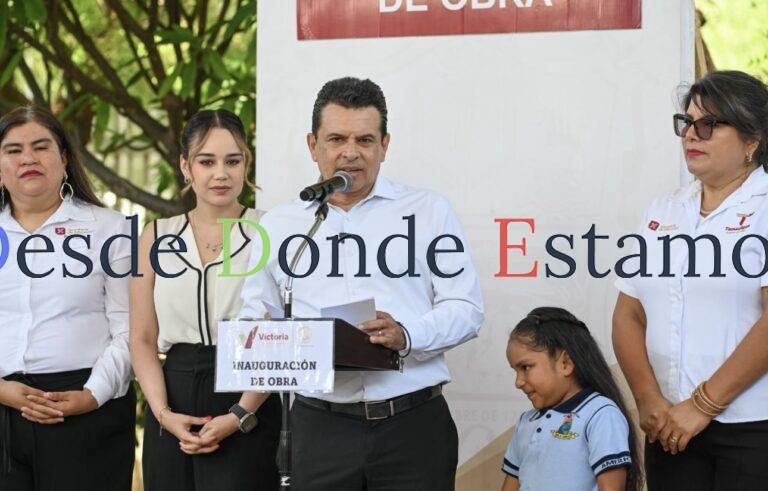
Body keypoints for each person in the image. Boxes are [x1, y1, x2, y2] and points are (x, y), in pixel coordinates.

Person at [239, 77, 484, 490]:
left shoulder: (428, 211)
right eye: (336, 139)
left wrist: (406, 335)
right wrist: (281, 341)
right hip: (319, 428)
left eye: (365, 140)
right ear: (313, 145)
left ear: (384, 145)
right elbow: (255, 318)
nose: (350, 152)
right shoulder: (280, 225)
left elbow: (467, 309)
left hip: (412, 428)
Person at [613, 70, 768, 490]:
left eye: (708, 124)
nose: (690, 135)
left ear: (752, 139)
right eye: (687, 123)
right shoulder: (662, 210)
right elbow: (628, 313)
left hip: (753, 429)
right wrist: (647, 397)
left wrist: (703, 404)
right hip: (669, 426)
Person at [130, 109, 280, 491]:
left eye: (233, 161)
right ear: (186, 166)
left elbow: (279, 335)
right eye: (207, 161)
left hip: (248, 397)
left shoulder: (270, 230)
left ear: (246, 163)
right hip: (171, 398)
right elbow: (142, 338)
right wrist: (163, 415)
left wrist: (240, 413)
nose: (221, 173)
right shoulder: (155, 236)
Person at [0, 106, 135, 490]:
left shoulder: (110, 229)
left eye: (41, 147)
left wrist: (92, 395)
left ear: (63, 159)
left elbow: (131, 329)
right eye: (13, 150)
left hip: (87, 412)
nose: (28, 158)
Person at [501, 307, 640, 491]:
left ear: (565, 363)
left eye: (525, 367)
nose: (518, 382)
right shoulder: (526, 421)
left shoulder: (601, 414)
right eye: (515, 371)